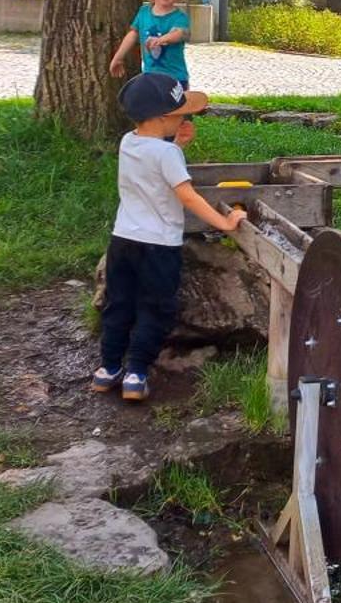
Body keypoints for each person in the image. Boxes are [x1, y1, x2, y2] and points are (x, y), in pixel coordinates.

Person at [96, 71, 245, 402]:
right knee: (155, 308)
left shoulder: (128, 142)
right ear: (163, 117)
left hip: (123, 241)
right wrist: (225, 222)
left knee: (118, 303)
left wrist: (175, 143)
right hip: (158, 247)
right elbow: (187, 196)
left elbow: (152, 167)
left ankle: (107, 369)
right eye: (180, 114)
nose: (184, 118)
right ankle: (136, 373)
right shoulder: (168, 155)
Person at [109, 0, 196, 84]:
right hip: (150, 76)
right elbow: (133, 34)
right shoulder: (144, 12)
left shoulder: (179, 17)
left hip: (175, 78)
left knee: (176, 105)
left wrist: (161, 40)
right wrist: (118, 57)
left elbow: (178, 33)